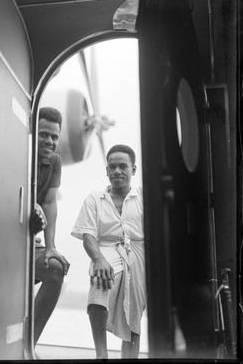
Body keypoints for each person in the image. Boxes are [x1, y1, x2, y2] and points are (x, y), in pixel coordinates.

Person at [71, 144, 146, 359]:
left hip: (138, 252)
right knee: (99, 285)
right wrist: (98, 259)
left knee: (134, 312)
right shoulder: (95, 198)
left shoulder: (142, 196)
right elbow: (87, 235)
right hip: (106, 249)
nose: (117, 171)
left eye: (123, 166)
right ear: (106, 170)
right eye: (112, 167)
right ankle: (101, 355)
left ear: (134, 169)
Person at [30, 107, 70, 347]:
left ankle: (28, 345)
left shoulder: (55, 161)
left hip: (28, 245)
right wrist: (29, 204)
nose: (50, 141)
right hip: (0, 243)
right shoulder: (17, 150)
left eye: (54, 136)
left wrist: (51, 246)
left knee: (55, 268)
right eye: (44, 134)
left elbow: (50, 202)